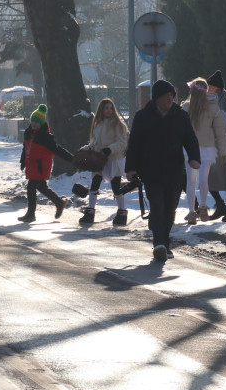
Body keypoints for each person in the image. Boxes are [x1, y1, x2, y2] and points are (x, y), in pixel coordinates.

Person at [125, 79, 201, 262]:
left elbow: (190, 139)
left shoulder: (180, 116)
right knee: (157, 206)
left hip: (174, 170)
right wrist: (131, 168)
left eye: (172, 96)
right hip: (150, 170)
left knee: (170, 208)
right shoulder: (143, 116)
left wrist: (194, 158)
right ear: (157, 98)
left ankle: (164, 243)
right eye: (167, 96)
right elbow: (133, 144)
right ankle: (159, 243)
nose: (170, 99)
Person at [180, 77, 226, 224]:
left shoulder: (202, 107)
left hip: (199, 148)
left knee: (196, 180)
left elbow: (220, 131)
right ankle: (196, 209)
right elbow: (220, 131)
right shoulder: (194, 107)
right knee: (197, 180)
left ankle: (196, 209)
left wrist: (224, 150)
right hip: (198, 148)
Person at [74, 98, 130, 226]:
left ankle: (122, 212)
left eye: (111, 108)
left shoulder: (119, 125)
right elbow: (94, 142)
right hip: (99, 160)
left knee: (116, 187)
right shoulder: (97, 125)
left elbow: (122, 143)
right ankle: (90, 211)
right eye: (106, 108)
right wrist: (86, 149)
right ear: (101, 109)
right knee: (95, 184)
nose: (109, 110)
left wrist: (109, 150)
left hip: (114, 159)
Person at [18, 105, 73, 222]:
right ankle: (59, 202)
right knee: (42, 187)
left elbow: (57, 150)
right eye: (33, 121)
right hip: (31, 165)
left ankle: (31, 213)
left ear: (42, 123)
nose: (34, 123)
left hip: (40, 167)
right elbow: (25, 148)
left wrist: (71, 159)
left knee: (31, 187)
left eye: (37, 122)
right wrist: (22, 161)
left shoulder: (45, 137)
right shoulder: (28, 133)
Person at [206, 70, 226, 221]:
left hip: (225, 145)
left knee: (220, 178)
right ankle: (221, 206)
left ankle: (221, 206)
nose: (208, 89)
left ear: (216, 87)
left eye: (210, 86)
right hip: (221, 144)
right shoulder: (220, 100)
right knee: (214, 178)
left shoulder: (224, 101)